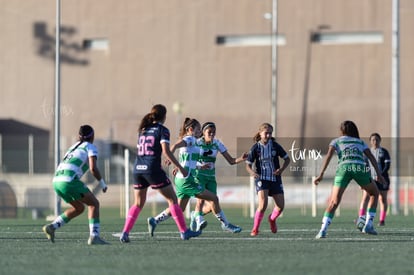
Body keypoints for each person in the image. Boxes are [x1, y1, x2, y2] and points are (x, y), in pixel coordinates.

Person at [119, 104, 201, 243]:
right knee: (173, 200)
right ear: (164, 116)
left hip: (138, 168)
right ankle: (184, 232)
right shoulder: (162, 130)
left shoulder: (143, 129)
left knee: (138, 203)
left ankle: (125, 233)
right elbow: (166, 151)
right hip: (152, 169)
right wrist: (180, 168)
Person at [147, 118, 241, 236]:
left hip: (182, 179)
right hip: (186, 180)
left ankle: (154, 220)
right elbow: (176, 145)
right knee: (214, 199)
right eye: (198, 129)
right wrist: (169, 156)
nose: (199, 132)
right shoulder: (190, 139)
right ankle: (223, 224)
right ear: (191, 129)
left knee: (179, 209)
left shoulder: (194, 141)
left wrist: (197, 166)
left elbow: (188, 160)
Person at [314, 120, 386, 239]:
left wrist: (321, 174)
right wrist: (378, 173)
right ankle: (368, 224)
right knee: (374, 193)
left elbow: (328, 157)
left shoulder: (336, 141)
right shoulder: (360, 142)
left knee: (334, 202)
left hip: (343, 169)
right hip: (359, 167)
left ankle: (323, 230)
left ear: (342, 131)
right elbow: (371, 157)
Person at [42, 125, 109, 245]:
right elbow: (93, 168)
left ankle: (52, 227)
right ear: (92, 136)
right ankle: (94, 236)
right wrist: (102, 183)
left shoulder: (72, 147)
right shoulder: (90, 147)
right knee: (94, 204)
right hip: (69, 181)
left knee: (79, 208)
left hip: (57, 181)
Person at [190, 122, 247, 233]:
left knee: (213, 205)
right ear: (203, 132)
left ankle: (195, 215)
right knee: (200, 202)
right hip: (198, 176)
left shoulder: (217, 144)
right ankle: (223, 225)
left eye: (213, 132)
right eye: (209, 132)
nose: (212, 134)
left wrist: (241, 158)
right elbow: (189, 158)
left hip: (211, 178)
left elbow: (231, 161)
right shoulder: (196, 143)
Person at [245, 123, 290, 236]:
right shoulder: (255, 148)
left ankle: (272, 219)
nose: (268, 135)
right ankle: (255, 229)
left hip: (275, 178)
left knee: (280, 206)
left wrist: (281, 170)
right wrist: (253, 173)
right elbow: (248, 165)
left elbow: (287, 159)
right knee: (263, 204)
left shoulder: (275, 146)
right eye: (266, 133)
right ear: (260, 133)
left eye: (270, 133)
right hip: (262, 178)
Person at [357, 133, 391, 227]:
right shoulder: (367, 153)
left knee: (382, 199)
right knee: (365, 198)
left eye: (377, 140)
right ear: (370, 141)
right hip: (370, 179)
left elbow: (387, 165)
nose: (375, 142)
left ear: (380, 140)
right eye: (373, 140)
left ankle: (382, 220)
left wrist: (380, 175)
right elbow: (365, 166)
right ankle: (361, 217)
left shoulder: (384, 152)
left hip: (382, 178)